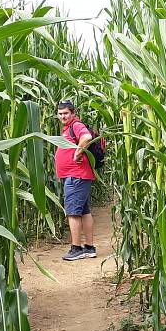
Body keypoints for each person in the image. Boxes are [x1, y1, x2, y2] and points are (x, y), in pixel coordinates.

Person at [54, 100, 97, 261]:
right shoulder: (68, 127)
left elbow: (86, 137)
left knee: (73, 212)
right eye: (60, 113)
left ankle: (77, 248)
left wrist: (77, 153)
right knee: (84, 211)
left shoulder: (76, 125)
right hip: (78, 176)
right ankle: (89, 248)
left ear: (73, 113)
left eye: (66, 113)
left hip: (76, 176)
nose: (63, 116)